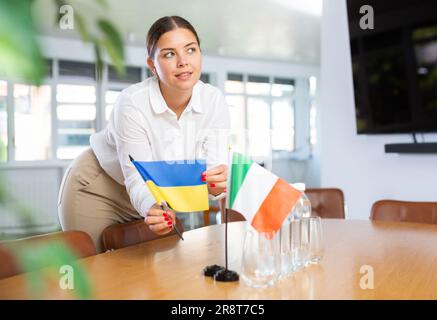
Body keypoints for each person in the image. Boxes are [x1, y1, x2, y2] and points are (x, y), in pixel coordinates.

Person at [57, 16, 230, 253]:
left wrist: (219, 183)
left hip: (156, 193)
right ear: (152, 64)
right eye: (169, 54)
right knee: (98, 274)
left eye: (190, 50)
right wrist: (152, 206)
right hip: (99, 187)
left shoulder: (214, 101)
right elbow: (136, 177)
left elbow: (215, 171)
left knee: (149, 276)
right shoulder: (131, 103)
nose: (183, 62)